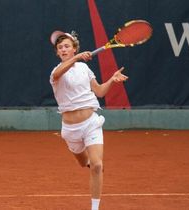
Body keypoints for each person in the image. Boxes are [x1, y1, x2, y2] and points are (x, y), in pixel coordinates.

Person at [49, 30, 128, 210]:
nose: (63, 49)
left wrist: (112, 80)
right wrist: (75, 59)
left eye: (67, 46)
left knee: (97, 165)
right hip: (70, 129)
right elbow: (58, 73)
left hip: (91, 123)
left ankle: (94, 208)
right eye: (60, 47)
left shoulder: (84, 68)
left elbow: (99, 91)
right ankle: (87, 162)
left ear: (74, 49)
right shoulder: (56, 71)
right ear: (57, 52)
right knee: (84, 162)